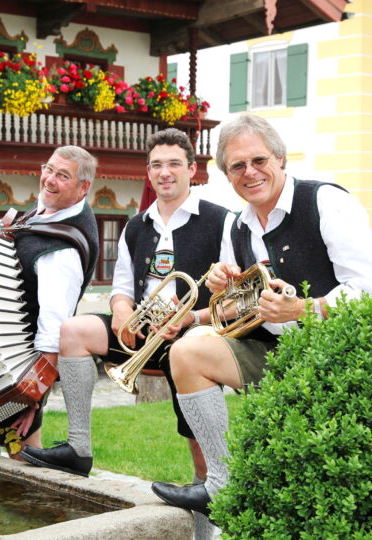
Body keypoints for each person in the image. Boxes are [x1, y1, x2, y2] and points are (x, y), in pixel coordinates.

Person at [150, 114, 372, 520]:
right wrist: (219, 294)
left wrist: (304, 309)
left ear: (280, 159)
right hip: (276, 352)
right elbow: (239, 308)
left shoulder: (325, 202)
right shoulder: (238, 226)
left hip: (340, 356)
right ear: (227, 175)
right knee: (186, 353)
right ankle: (219, 484)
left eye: (259, 160)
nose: (250, 172)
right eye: (237, 166)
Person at [19, 128, 234, 477]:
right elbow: (121, 287)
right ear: (148, 172)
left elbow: (235, 300)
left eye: (174, 164)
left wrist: (190, 318)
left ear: (192, 169)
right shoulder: (136, 225)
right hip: (142, 330)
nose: (164, 172)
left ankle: (207, 495)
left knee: (199, 447)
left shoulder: (222, 221)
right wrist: (121, 310)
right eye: (156, 165)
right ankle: (78, 447)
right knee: (74, 330)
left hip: (193, 335)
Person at [0, 145, 100, 455]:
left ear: (83, 188)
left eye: (63, 176)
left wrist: (34, 398)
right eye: (49, 169)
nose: (50, 179)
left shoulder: (63, 251)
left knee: (20, 450)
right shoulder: (47, 211)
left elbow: (54, 329)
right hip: (9, 353)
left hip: (22, 362)